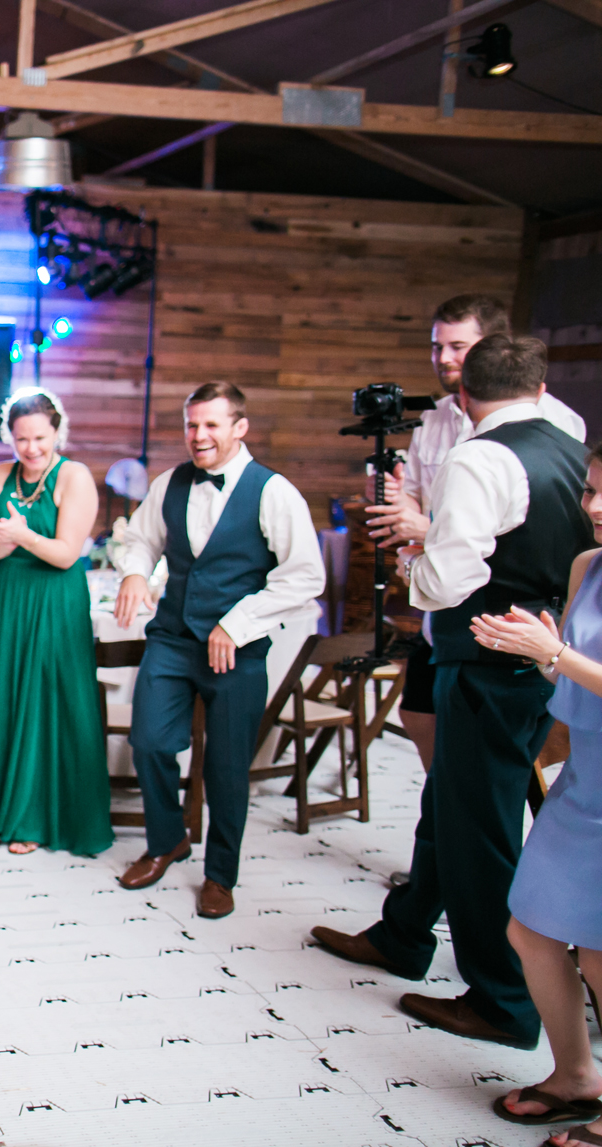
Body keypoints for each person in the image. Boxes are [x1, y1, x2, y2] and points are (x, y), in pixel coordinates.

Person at [312, 336, 591, 1051]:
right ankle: (405, 933)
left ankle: (502, 1000)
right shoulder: (563, 440)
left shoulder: (479, 457)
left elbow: (449, 580)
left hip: (490, 654)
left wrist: (413, 558)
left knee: (482, 831)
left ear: (464, 395)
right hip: (534, 645)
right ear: (538, 386)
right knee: (452, 807)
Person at [111, 382, 324, 920]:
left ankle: (220, 875)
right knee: (151, 742)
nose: (199, 436)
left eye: (211, 425)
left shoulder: (274, 492)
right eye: (191, 425)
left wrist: (239, 621)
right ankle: (166, 841)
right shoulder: (169, 483)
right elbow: (138, 539)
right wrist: (136, 573)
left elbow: (305, 575)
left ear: (239, 427)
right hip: (174, 638)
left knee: (227, 767)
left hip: (240, 651)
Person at [367, 295, 585, 775]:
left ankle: (462, 811)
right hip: (442, 610)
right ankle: (445, 811)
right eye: (436, 347)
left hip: (493, 609)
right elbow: (424, 499)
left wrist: (421, 540)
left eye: (457, 346)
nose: (443, 358)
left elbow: (532, 527)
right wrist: (399, 501)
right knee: (419, 714)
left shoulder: (555, 423)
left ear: (492, 348)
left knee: (489, 767)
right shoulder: (434, 418)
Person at [470, 443, 602, 1139]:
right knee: (531, 928)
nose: (596, 508)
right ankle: (576, 1072)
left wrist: (556, 655)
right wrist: (541, 655)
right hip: (584, 778)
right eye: (593, 491)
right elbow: (576, 675)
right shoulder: (588, 565)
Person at [0, 390, 112, 856]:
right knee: (3, 696)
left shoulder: (74, 477)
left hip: (55, 601)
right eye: (21, 439)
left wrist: (18, 534)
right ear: (8, 438)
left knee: (45, 702)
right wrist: (19, 540)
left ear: (58, 432)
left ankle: (34, 816)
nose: (31, 448)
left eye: (39, 438)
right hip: (7, 598)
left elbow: (65, 554)